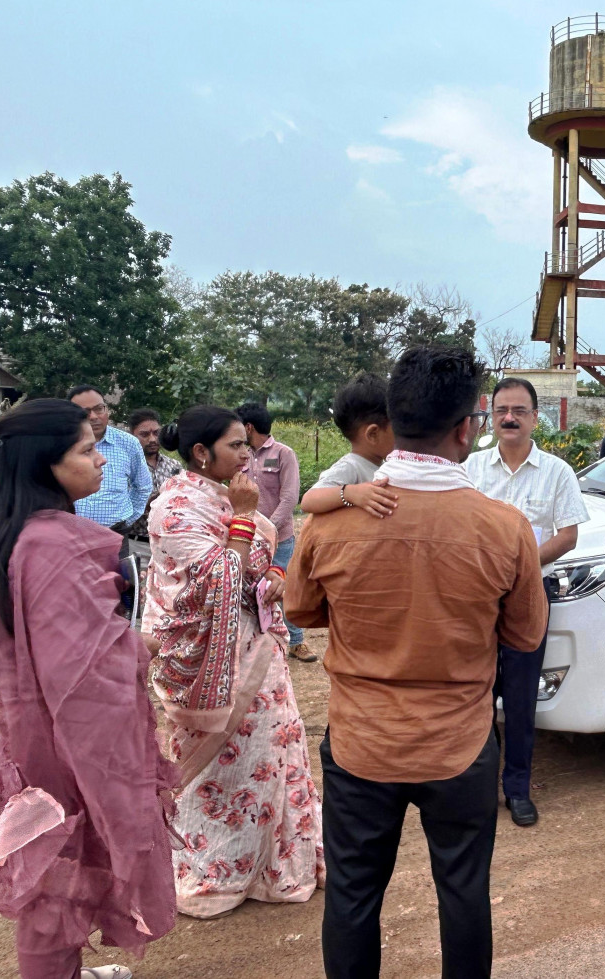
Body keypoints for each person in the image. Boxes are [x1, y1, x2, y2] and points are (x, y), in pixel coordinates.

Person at [285, 346, 548, 979]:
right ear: (467, 428)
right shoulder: (505, 527)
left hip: (360, 742)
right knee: (463, 892)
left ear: (393, 422)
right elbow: (525, 633)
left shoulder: (333, 522)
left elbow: (301, 610)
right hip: (457, 743)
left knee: (352, 895)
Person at [0, 398, 176, 979]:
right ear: (46, 465)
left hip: (25, 725)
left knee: (52, 858)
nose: (100, 461)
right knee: (55, 873)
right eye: (86, 451)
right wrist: (144, 647)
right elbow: (82, 669)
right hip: (64, 739)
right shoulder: (56, 546)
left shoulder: (15, 532)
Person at [144, 405, 324, 919]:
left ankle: (278, 866)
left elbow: (250, 571)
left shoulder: (225, 498)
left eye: (247, 444)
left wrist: (268, 574)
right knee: (223, 771)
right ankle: (219, 872)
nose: (247, 454)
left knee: (273, 753)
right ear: (201, 453)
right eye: (236, 446)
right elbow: (213, 582)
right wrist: (244, 520)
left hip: (257, 650)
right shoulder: (174, 509)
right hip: (212, 663)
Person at [465, 376, 588, 827]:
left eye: (519, 411)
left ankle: (517, 789)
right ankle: (474, 787)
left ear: (536, 418)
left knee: (519, 698)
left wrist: (519, 565)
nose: (510, 418)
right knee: (474, 692)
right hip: (476, 599)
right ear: (491, 416)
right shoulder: (471, 468)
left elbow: (569, 534)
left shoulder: (557, 472)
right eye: (501, 410)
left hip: (531, 597)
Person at [236, 401, 312, 662]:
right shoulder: (242, 456)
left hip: (280, 538)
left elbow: (290, 498)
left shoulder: (283, 453)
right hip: (250, 537)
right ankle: (265, 644)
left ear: (248, 427)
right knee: (256, 590)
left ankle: (297, 642)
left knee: (284, 588)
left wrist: (264, 529)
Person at [299, 372, 399, 519]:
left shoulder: (382, 464)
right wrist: (350, 493)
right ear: (373, 434)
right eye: (396, 428)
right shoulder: (351, 466)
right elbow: (308, 500)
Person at [67, 385, 152, 547]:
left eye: (99, 409)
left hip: (115, 536)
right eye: (84, 412)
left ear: (107, 409)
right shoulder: (62, 444)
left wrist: (126, 519)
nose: (93, 416)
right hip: (71, 537)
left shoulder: (128, 443)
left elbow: (142, 486)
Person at [122, 408, 182, 571]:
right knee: (141, 592)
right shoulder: (125, 468)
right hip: (138, 544)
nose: (152, 439)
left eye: (156, 433)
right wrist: (145, 504)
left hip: (170, 545)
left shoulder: (174, 466)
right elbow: (119, 510)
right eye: (144, 434)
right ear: (132, 436)